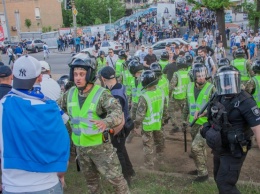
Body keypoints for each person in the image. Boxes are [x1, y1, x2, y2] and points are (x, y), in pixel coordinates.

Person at [0, 55, 70, 193]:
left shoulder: (2, 106)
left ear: (13, 76)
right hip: (47, 184)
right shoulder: (51, 108)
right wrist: (61, 175)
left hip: (12, 186)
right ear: (39, 78)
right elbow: (62, 147)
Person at [63, 57, 130, 193]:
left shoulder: (101, 94)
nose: (78, 78)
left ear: (90, 75)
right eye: (75, 74)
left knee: (117, 181)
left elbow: (117, 113)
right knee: (92, 183)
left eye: (82, 74)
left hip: (101, 148)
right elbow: (55, 108)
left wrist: (105, 122)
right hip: (81, 149)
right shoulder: (69, 94)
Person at [200, 65, 260, 194]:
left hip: (235, 150)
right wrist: (203, 113)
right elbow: (218, 110)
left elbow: (257, 129)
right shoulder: (219, 96)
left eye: (230, 81)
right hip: (220, 146)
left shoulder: (246, 102)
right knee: (218, 178)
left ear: (237, 81)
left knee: (225, 184)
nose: (227, 85)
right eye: (224, 81)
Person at [100, 66, 135, 185]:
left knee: (118, 152)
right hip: (125, 124)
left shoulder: (115, 95)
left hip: (120, 127)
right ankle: (130, 171)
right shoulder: (119, 87)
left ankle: (126, 179)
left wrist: (113, 133)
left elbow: (119, 118)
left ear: (103, 79)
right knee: (122, 149)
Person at [182, 63, 215, 182]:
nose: (201, 77)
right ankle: (200, 167)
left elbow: (217, 107)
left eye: (203, 75)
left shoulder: (211, 88)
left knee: (195, 147)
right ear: (193, 77)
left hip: (206, 125)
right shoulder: (189, 86)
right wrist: (183, 120)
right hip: (193, 123)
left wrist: (205, 113)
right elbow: (187, 105)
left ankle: (203, 174)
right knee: (199, 149)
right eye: (198, 75)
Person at [134, 70, 168, 169]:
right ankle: (160, 159)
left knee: (148, 145)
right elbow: (165, 108)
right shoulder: (161, 92)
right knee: (160, 141)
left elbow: (140, 115)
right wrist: (164, 119)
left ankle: (149, 165)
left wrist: (136, 125)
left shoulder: (144, 96)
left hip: (148, 125)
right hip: (159, 123)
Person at [169, 56, 190, 133]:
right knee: (184, 113)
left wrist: (169, 95)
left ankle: (175, 125)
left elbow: (171, 86)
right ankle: (184, 125)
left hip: (176, 98)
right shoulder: (189, 73)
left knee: (170, 110)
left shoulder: (176, 74)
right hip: (186, 98)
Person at [126, 60, 143, 143]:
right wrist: (129, 102)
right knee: (131, 120)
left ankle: (145, 138)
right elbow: (131, 92)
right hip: (134, 103)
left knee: (143, 121)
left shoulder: (144, 78)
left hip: (143, 104)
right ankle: (132, 133)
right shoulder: (133, 79)